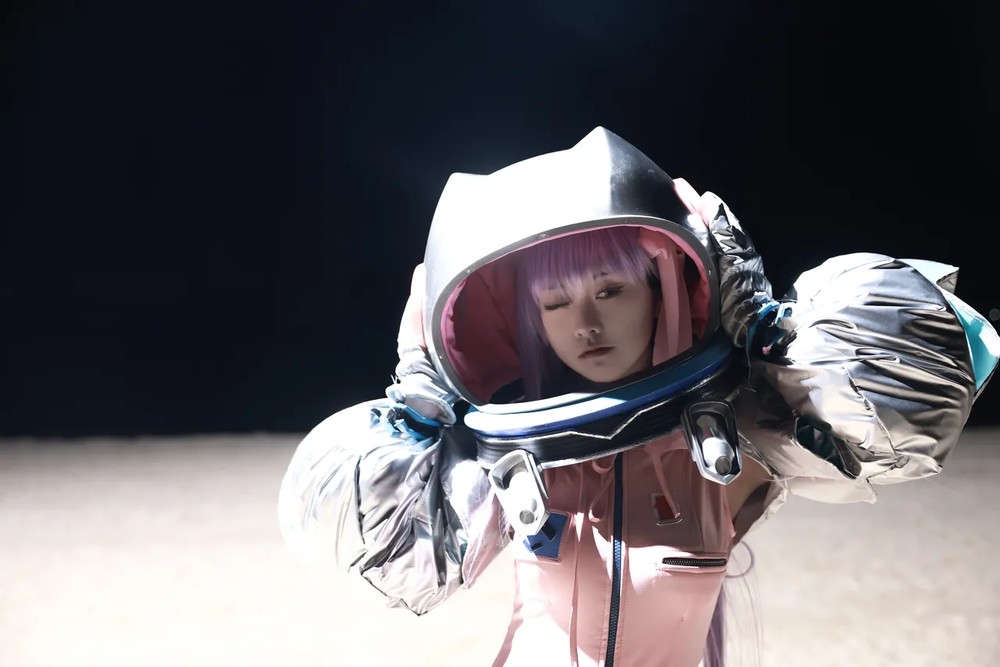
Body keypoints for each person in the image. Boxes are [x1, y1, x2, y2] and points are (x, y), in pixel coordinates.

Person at [277, 128, 998, 667]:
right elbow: (394, 559)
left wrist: (759, 322)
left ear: (662, 289)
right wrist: (420, 401)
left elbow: (904, 403)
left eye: (611, 290)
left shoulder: (731, 441)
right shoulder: (514, 459)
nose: (584, 324)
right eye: (555, 303)